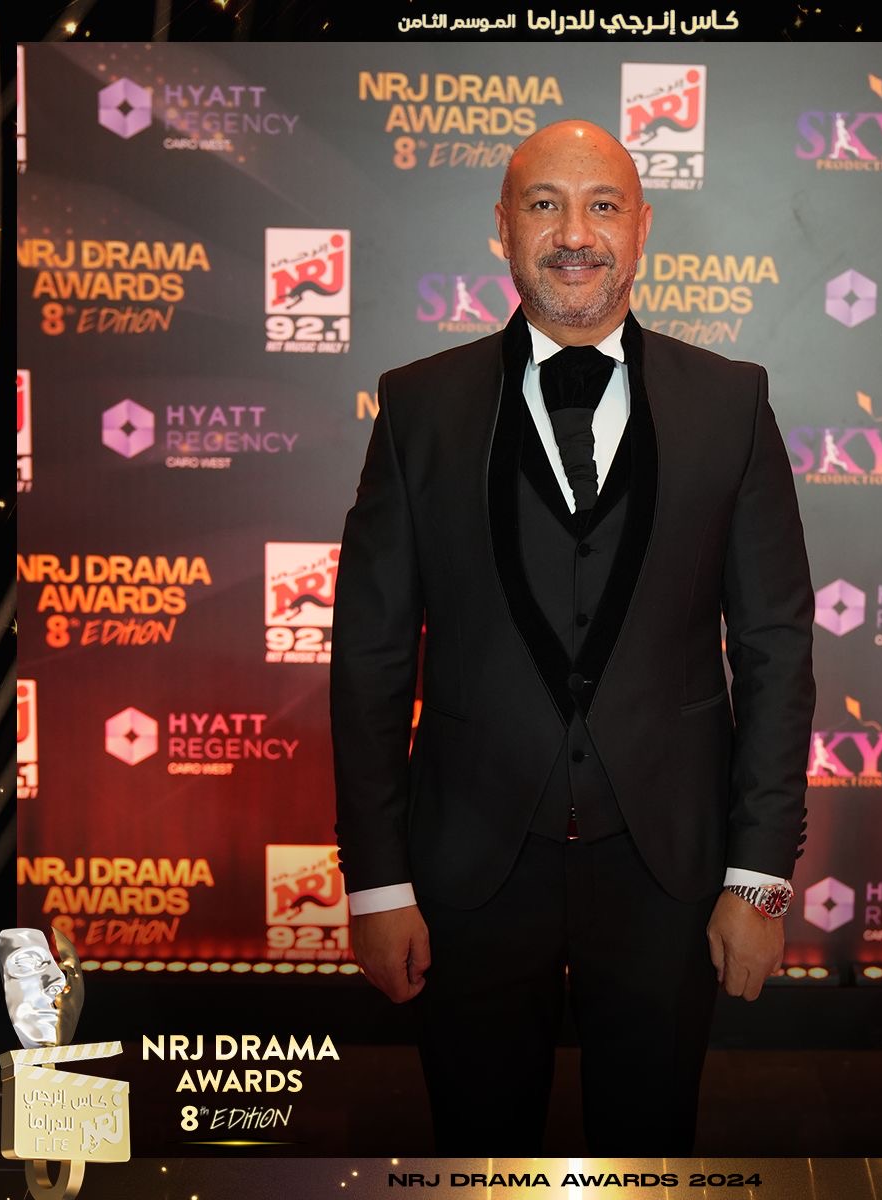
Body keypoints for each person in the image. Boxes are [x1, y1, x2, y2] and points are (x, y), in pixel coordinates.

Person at [330, 119, 815, 1154]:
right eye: (544, 205)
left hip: (670, 873)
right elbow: (369, 659)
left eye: (602, 206)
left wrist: (759, 878)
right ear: (502, 227)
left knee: (652, 1152)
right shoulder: (418, 405)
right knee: (474, 1155)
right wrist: (376, 881)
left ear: (641, 227)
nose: (575, 234)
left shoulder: (732, 403)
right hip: (466, 870)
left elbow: (775, 648)